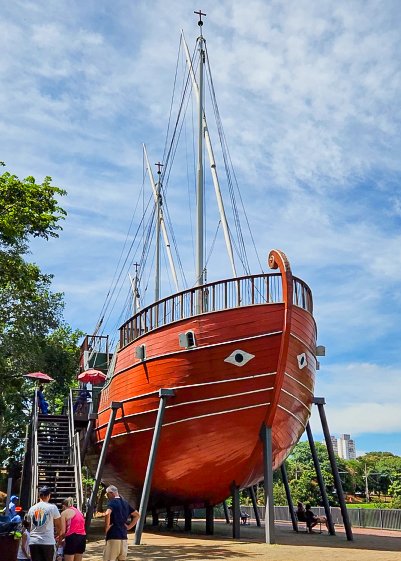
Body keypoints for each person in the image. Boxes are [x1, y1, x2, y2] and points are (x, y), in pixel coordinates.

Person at [103, 485, 140, 561]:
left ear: (111, 493)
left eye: (107, 494)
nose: (107, 496)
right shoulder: (125, 503)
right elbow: (137, 515)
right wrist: (129, 527)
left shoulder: (112, 502)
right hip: (123, 537)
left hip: (113, 536)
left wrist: (107, 527)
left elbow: (107, 513)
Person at [27, 486, 61, 561]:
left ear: (39, 496)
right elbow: (58, 525)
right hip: (48, 541)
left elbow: (29, 525)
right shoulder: (52, 507)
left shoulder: (32, 508)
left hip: (34, 542)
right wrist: (59, 537)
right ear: (49, 495)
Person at [59, 497, 86, 561]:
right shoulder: (79, 512)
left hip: (72, 537)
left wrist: (59, 542)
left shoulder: (64, 513)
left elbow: (63, 531)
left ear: (63, 506)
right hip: (82, 537)